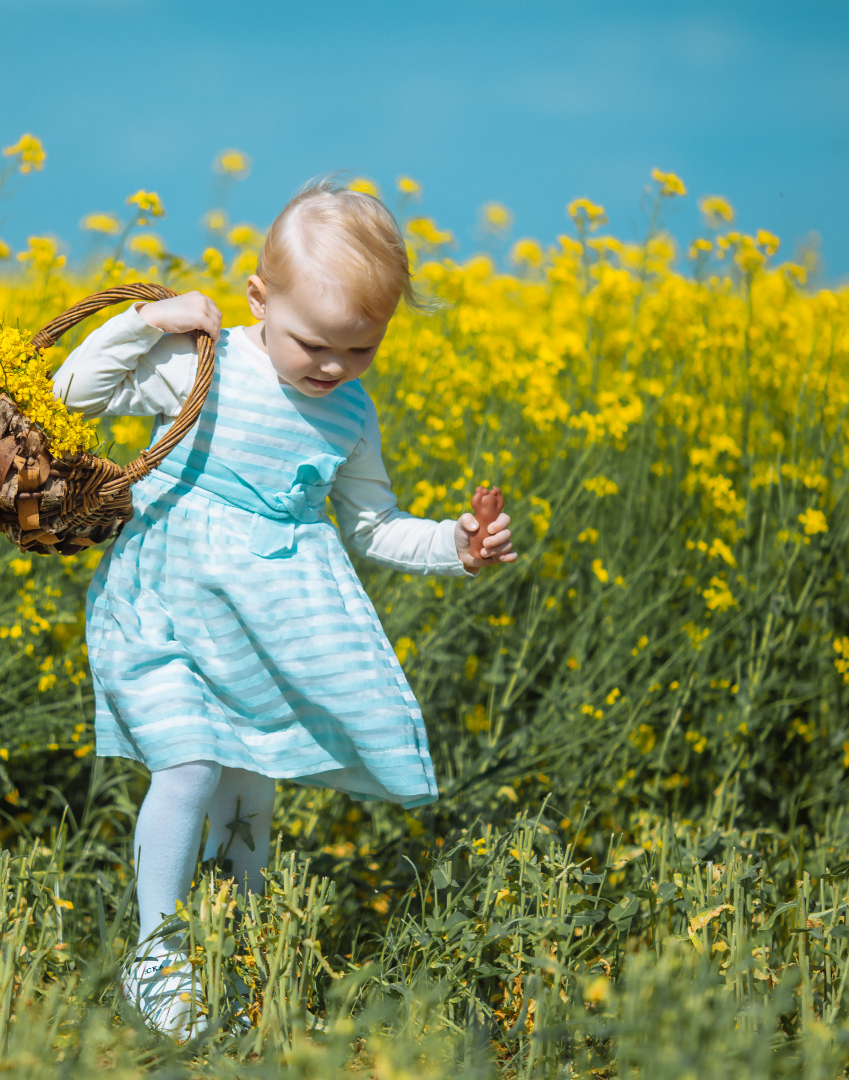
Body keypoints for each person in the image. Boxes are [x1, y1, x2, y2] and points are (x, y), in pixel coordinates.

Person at [50, 176, 517, 1037]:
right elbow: (72, 392)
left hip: (268, 626)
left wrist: (452, 546)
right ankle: (156, 955)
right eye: (313, 344)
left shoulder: (348, 414)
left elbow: (373, 526)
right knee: (188, 764)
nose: (334, 368)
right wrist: (146, 321)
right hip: (162, 601)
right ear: (258, 300)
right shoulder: (207, 360)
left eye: (362, 350)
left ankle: (235, 939)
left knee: (249, 783)